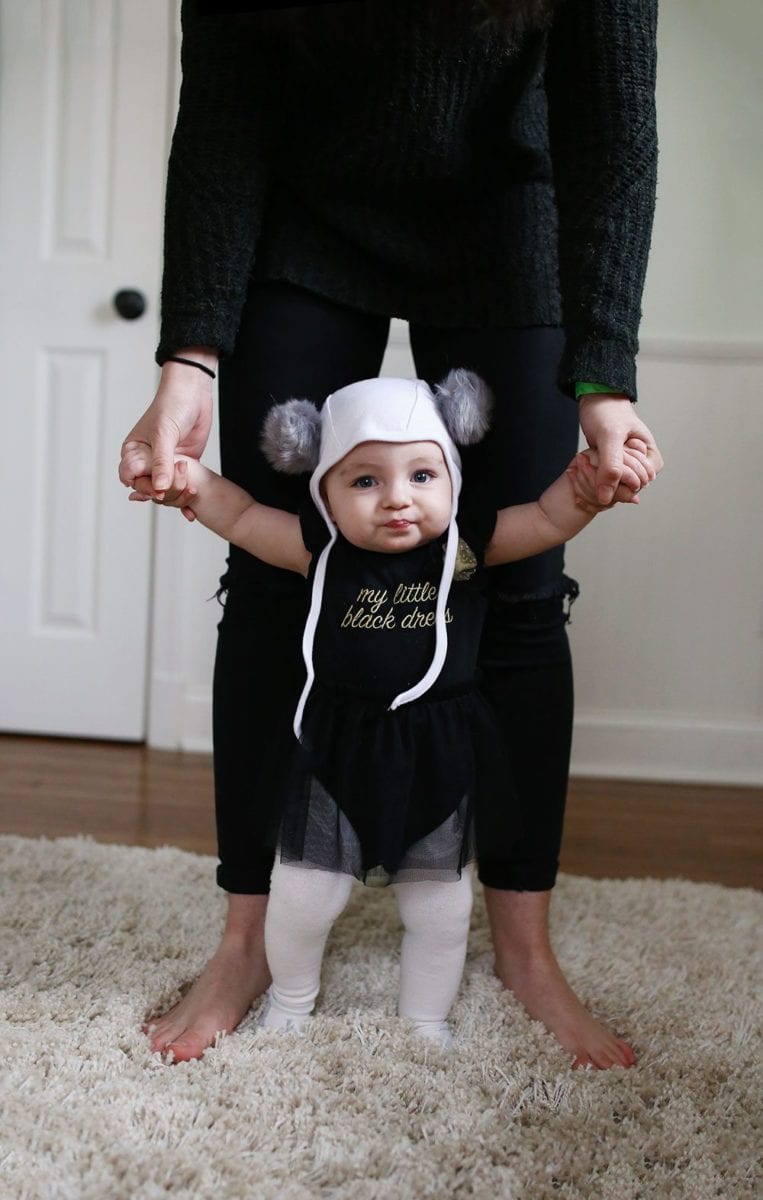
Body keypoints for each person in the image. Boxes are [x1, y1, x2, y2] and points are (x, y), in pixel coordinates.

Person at [120, 0, 664, 1069]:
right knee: (275, 578)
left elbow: (613, 125)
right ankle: (246, 940)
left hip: (513, 210)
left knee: (520, 587)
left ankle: (524, 948)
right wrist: (191, 356)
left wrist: (602, 377)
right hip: (305, 211)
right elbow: (224, 107)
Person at [131, 372, 653, 1048]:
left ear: (451, 478)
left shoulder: (464, 551)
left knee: (439, 909)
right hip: (332, 754)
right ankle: (290, 1000)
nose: (397, 499)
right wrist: (190, 482)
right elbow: (239, 516)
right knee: (301, 899)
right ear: (324, 492)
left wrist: (586, 491)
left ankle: (424, 1019)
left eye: (421, 475)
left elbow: (549, 520)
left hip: (437, 755)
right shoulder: (321, 554)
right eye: (365, 481)